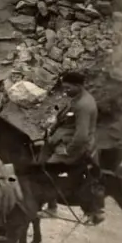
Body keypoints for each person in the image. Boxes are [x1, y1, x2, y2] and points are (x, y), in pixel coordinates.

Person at [41, 71, 102, 220]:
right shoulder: (76, 97)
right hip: (62, 139)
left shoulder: (84, 105)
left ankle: (52, 208)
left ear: (78, 86)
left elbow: (81, 135)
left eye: (68, 88)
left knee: (47, 170)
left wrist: (68, 151)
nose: (65, 91)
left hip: (74, 146)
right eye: (64, 87)